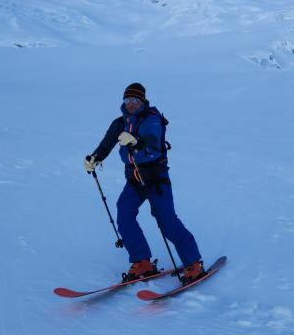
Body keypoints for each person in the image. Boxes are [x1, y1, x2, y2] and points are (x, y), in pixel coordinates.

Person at [83, 82, 204, 283]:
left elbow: (153, 146)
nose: (131, 104)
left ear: (142, 101)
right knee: (124, 212)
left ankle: (193, 263)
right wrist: (94, 158)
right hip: (135, 180)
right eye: (127, 100)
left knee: (166, 220)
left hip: (156, 179)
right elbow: (106, 145)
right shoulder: (119, 123)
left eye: (135, 100)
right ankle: (142, 261)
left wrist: (136, 143)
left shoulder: (152, 120)